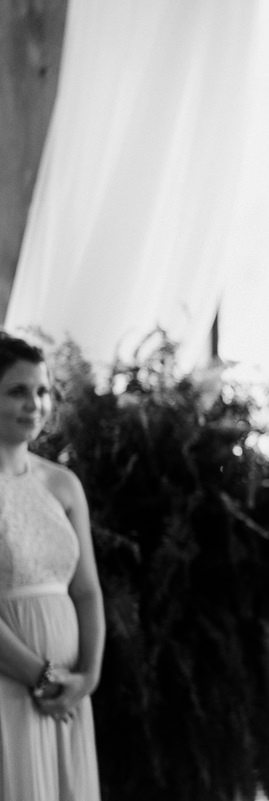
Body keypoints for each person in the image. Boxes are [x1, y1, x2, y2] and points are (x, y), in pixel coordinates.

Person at [0, 332, 104, 801]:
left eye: (41, 391)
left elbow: (87, 591)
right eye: (17, 391)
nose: (34, 404)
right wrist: (40, 677)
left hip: (69, 694)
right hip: (10, 686)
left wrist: (86, 678)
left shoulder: (64, 484)